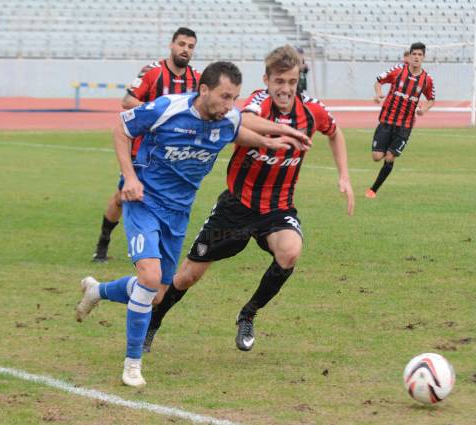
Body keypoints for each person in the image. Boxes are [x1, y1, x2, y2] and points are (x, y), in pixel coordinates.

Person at [75, 61, 310, 387]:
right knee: (150, 276)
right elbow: (122, 127)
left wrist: (272, 140)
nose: (229, 105)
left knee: (156, 293)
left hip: (178, 213)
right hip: (142, 201)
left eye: (235, 98)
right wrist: (129, 178)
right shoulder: (167, 108)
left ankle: (97, 290)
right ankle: (132, 364)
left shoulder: (224, 117)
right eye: (225, 96)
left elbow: (236, 127)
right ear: (203, 90)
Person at [143, 45, 355, 353]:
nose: (285, 89)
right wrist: (283, 130)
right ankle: (154, 322)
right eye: (279, 81)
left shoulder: (312, 110)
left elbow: (335, 133)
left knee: (291, 252)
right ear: (267, 80)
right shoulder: (258, 102)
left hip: (277, 209)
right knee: (188, 275)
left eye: (292, 82)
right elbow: (242, 120)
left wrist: (344, 176)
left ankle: (248, 313)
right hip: (236, 207)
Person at [92, 27, 200, 262]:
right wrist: (155, 114)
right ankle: (103, 244)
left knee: (167, 199)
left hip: (174, 155)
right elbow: (127, 100)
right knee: (123, 197)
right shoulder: (153, 72)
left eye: (190, 46)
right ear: (172, 45)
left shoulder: (197, 79)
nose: (185, 50)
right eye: (181, 44)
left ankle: (154, 249)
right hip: (140, 151)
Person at [365, 42, 435, 199]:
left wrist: (424, 109)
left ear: (423, 57)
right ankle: (385, 150)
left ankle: (373, 190)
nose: (416, 57)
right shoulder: (397, 71)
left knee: (390, 157)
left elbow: (431, 99)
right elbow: (379, 81)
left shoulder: (426, 80)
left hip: (405, 126)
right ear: (409, 56)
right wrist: (378, 94)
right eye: (414, 54)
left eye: (420, 55)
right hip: (386, 121)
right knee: (377, 157)